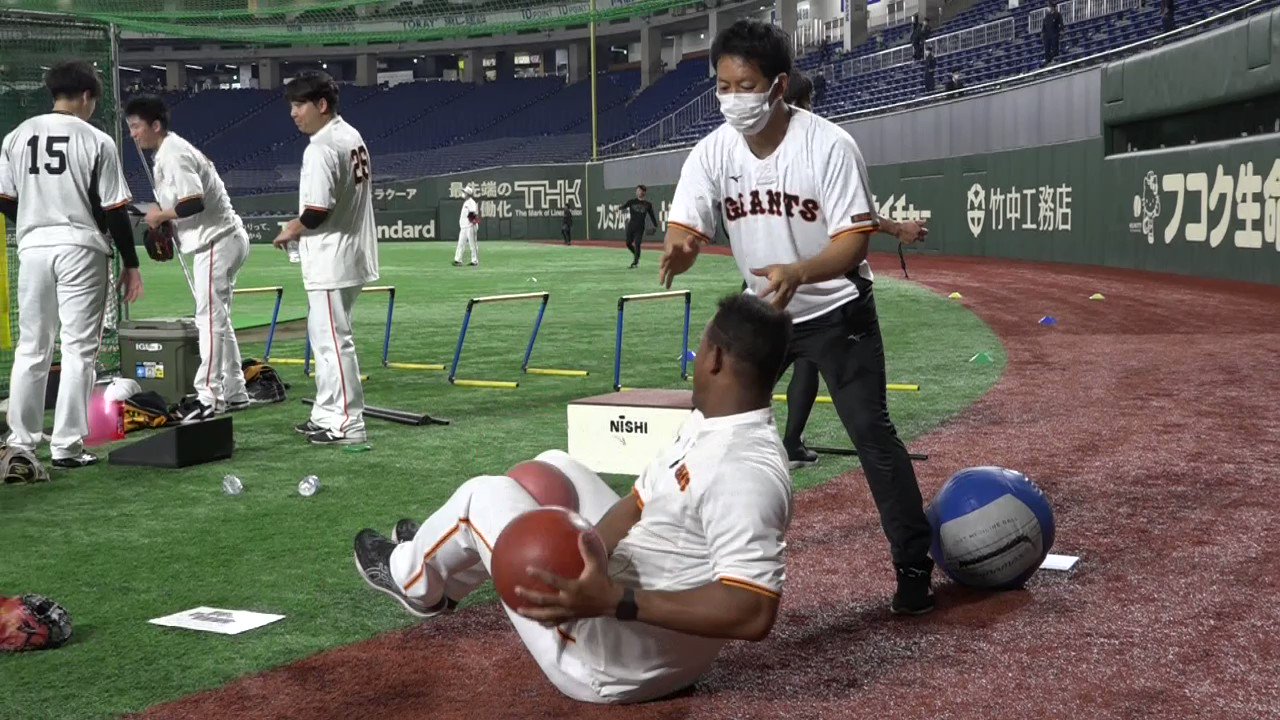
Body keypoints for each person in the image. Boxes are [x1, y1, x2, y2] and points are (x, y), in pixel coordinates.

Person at [354, 293, 794, 704]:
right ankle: (443, 558)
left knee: (482, 496)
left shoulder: (743, 471)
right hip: (640, 627)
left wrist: (610, 599)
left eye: (701, 346)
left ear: (715, 358)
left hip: (612, 663)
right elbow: (638, 503)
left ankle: (414, 581)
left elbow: (753, 611)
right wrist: (582, 563)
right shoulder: (717, 421)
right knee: (553, 467)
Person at [659, 20, 935, 615]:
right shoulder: (713, 151)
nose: (733, 98)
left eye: (746, 85)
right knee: (705, 424)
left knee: (871, 433)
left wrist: (800, 273)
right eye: (723, 86)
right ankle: (674, 558)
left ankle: (914, 565)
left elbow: (854, 243)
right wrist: (681, 247)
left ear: (779, 85)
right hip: (763, 313)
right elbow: (685, 223)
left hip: (836, 309)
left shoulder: (829, 145)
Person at [765, 72, 929, 469]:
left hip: (769, 283)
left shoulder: (761, 152)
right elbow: (858, 219)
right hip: (820, 285)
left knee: (753, 380)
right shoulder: (819, 148)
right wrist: (898, 228)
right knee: (861, 413)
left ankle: (766, 450)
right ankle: (787, 444)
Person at [0, 60, 143, 469]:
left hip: (33, 249)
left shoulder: (16, 135)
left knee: (32, 347)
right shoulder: (96, 139)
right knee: (79, 348)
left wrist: (35, 222)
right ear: (85, 96)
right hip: (80, 248)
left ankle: (21, 440)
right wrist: (131, 263)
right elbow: (115, 210)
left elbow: (4, 199)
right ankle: (66, 446)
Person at [125, 94, 252, 421]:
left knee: (209, 320)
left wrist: (160, 216)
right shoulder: (169, 151)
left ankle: (209, 397)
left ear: (156, 125)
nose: (133, 134)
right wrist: (163, 218)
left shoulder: (174, 153)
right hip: (224, 238)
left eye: (137, 127)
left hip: (217, 242)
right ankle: (235, 390)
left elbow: (194, 202)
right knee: (218, 318)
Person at [272, 70, 378, 446]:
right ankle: (326, 412)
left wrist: (291, 228)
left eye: (300, 105)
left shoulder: (320, 147)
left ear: (321, 105)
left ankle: (349, 423)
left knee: (334, 342)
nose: (293, 113)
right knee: (324, 339)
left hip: (334, 259)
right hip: (347, 253)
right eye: (291, 105)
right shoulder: (350, 135)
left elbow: (317, 211)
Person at [619, 184, 658, 269]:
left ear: (644, 192)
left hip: (640, 227)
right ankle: (636, 254)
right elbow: (623, 206)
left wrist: (655, 225)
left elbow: (652, 215)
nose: (637, 192)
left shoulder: (648, 204)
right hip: (631, 226)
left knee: (637, 243)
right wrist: (619, 208)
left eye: (639, 190)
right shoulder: (631, 202)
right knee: (628, 243)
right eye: (637, 190)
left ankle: (635, 262)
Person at [454, 182, 480, 266]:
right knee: (461, 243)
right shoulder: (466, 202)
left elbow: (473, 213)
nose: (463, 193)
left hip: (470, 226)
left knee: (473, 244)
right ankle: (458, 260)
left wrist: (473, 223)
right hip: (464, 227)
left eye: (464, 192)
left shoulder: (471, 202)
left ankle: (474, 261)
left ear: (468, 194)